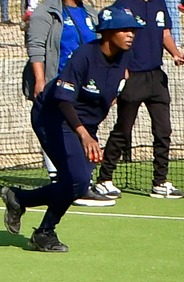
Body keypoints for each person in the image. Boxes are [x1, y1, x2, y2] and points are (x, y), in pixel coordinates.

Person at [3, 14, 133, 252]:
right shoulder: (85, 56)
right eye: (124, 29)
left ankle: (19, 198)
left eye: (132, 30)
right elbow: (63, 101)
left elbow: (118, 85)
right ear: (107, 33)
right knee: (77, 180)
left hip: (83, 123)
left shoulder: (125, 57)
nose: (131, 34)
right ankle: (44, 233)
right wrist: (84, 135)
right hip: (53, 116)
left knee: (78, 184)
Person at [87, 0, 184, 202]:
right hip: (132, 76)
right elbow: (113, 42)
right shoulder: (123, 5)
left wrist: (175, 53)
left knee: (163, 131)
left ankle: (160, 182)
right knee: (123, 129)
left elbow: (165, 33)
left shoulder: (159, 2)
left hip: (156, 76)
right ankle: (104, 179)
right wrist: (119, 71)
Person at [23, 0, 95, 102]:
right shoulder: (46, 12)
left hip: (85, 83)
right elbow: (36, 48)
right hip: (57, 83)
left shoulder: (90, 13)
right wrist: (40, 80)